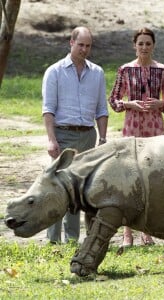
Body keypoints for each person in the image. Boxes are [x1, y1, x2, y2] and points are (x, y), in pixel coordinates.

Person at [109, 27, 164, 247]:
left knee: (152, 179)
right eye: (140, 44)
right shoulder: (125, 70)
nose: (144, 47)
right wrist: (130, 104)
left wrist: (160, 103)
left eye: (148, 43)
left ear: (153, 45)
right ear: (134, 46)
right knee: (131, 179)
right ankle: (128, 233)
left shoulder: (162, 70)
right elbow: (114, 101)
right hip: (132, 127)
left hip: (155, 127)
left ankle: (147, 231)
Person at [42, 26, 109, 244]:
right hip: (63, 135)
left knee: (79, 189)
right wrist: (52, 139)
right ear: (71, 43)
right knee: (57, 188)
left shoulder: (97, 73)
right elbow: (48, 109)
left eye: (88, 46)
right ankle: (53, 240)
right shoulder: (55, 71)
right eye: (81, 45)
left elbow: (101, 109)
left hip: (88, 136)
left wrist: (103, 139)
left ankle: (72, 239)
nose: (84, 49)